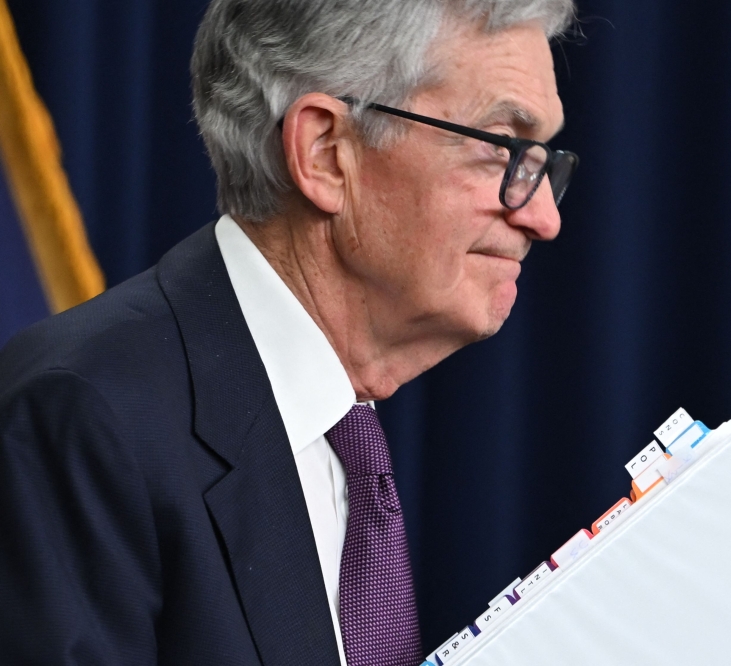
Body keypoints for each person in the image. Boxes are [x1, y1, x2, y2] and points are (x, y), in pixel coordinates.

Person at [0, 0, 578, 664]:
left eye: (543, 163)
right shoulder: (82, 416)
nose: (542, 217)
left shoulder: (342, 430)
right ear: (327, 153)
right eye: (501, 147)